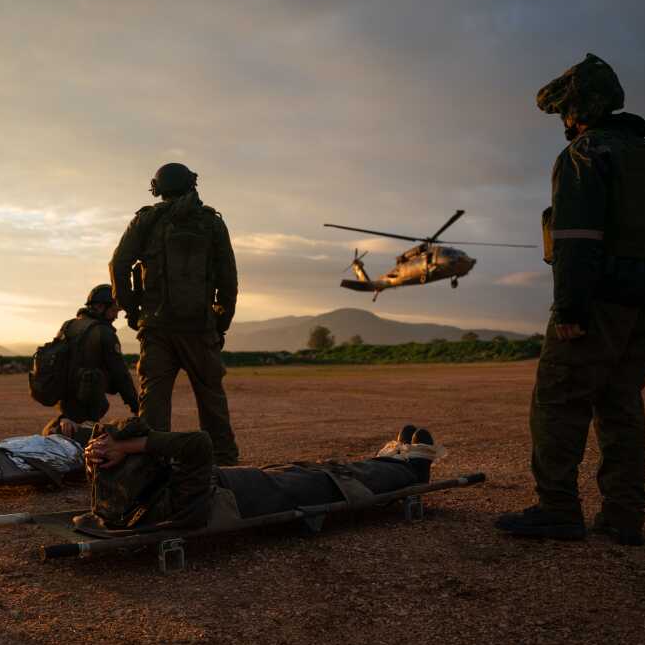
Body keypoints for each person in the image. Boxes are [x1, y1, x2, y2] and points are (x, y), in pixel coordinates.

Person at [496, 53, 645, 546]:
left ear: (579, 110)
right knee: (622, 406)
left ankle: (558, 510)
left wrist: (569, 309)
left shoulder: (585, 155)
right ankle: (623, 517)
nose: (565, 122)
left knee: (558, 400)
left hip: (597, 305)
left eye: (566, 112)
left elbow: (575, 236)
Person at [75, 418, 441, 534]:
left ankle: (391, 462)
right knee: (332, 479)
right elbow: (198, 443)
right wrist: (134, 444)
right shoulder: (179, 497)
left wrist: (104, 448)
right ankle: (410, 467)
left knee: (316, 470)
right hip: (261, 495)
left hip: (246, 484)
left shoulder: (118, 498)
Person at [109, 163, 240, 465]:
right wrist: (221, 321)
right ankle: (223, 461)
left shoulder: (146, 221)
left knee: (154, 399)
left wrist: (132, 310)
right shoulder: (212, 224)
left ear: (158, 189)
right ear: (191, 184)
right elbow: (228, 279)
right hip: (200, 326)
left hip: (157, 327)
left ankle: (152, 463)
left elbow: (118, 265)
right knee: (211, 397)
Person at [47, 284, 138, 428]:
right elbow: (121, 375)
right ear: (101, 307)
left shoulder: (68, 325)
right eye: (114, 310)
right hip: (87, 405)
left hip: (65, 404)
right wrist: (136, 406)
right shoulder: (104, 333)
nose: (116, 316)